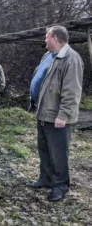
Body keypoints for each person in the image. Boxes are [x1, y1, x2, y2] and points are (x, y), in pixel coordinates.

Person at [29, 25, 83, 201]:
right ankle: (46, 179)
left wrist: (63, 115)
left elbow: (72, 91)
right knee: (44, 149)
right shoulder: (48, 55)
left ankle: (60, 186)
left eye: (46, 37)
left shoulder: (71, 58)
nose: (44, 40)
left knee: (59, 153)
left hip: (56, 116)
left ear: (55, 38)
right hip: (43, 112)